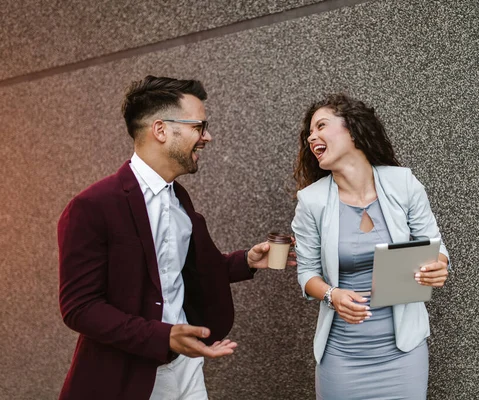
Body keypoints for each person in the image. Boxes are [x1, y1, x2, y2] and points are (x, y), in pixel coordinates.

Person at [57, 75, 294, 400]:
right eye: (199, 126)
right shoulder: (92, 207)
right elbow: (80, 307)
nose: (207, 137)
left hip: (187, 371)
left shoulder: (179, 198)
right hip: (127, 378)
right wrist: (163, 336)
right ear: (161, 130)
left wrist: (246, 261)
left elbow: (176, 271)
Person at [291, 93, 450, 399]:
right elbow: (307, 272)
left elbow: (435, 247)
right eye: (309, 133)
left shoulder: (403, 183)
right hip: (342, 357)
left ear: (351, 129)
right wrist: (331, 294)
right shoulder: (311, 201)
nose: (312, 137)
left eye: (321, 126)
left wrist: (438, 266)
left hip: (404, 353)